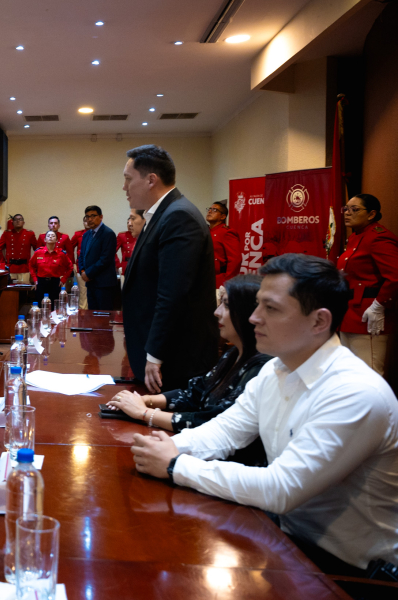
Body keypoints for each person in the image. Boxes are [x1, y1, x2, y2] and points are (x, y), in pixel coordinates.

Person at [130, 254, 398, 575]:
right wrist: (173, 447)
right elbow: (225, 432)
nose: (254, 317)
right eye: (257, 305)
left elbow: (281, 489)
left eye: (270, 309)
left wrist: (176, 465)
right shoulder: (275, 368)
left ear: (319, 322)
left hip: (351, 572)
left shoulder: (354, 392)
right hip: (287, 540)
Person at [109, 275, 271, 464]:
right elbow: (195, 392)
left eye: (226, 305)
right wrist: (144, 400)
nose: (217, 312)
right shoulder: (234, 353)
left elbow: (210, 422)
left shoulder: (262, 367)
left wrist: (144, 413)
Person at [121, 144, 218, 392]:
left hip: (174, 358)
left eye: (128, 179)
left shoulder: (179, 216)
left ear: (151, 180)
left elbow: (172, 293)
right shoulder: (162, 214)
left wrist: (154, 354)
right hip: (159, 350)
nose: (124, 187)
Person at [337, 194, 398, 377]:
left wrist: (379, 305)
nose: (347, 213)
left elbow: (395, 276)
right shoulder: (356, 237)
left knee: (368, 376)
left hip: (368, 316)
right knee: (348, 375)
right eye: (346, 209)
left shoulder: (378, 238)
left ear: (371, 214)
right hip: (349, 314)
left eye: (354, 210)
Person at [78, 205, 119, 310]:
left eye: (93, 216)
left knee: (104, 317)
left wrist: (88, 273)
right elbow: (82, 255)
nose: (90, 219)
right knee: (92, 316)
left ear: (101, 217)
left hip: (104, 284)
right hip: (90, 283)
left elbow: (105, 259)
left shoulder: (108, 234)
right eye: (87, 217)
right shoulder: (87, 235)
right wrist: (82, 270)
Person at [29, 231, 73, 306]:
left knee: (54, 305)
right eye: (48, 236)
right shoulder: (38, 252)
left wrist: (63, 279)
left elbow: (70, 267)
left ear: (56, 240)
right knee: (40, 304)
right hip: (41, 282)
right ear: (45, 240)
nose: (50, 237)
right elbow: (31, 265)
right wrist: (35, 279)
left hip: (55, 282)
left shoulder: (61, 254)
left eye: (53, 236)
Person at [206, 201, 242, 290]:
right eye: (209, 209)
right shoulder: (205, 231)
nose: (210, 211)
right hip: (204, 278)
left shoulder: (227, 233)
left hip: (219, 280)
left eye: (214, 210)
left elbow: (235, 260)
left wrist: (227, 283)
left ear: (223, 216)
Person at [0, 214, 38, 283]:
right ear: (12, 222)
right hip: (11, 268)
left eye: (20, 219)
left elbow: (37, 250)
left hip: (25, 268)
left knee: (24, 291)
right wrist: (3, 263)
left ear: (23, 223)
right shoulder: (7, 233)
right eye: (15, 220)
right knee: (11, 291)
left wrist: (33, 264)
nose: (18, 221)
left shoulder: (29, 234)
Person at [71, 215, 90, 309]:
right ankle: (83, 312)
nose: (87, 222)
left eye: (89, 220)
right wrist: (73, 263)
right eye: (85, 221)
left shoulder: (97, 234)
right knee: (83, 292)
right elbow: (69, 248)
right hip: (81, 266)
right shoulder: (79, 234)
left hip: (94, 267)